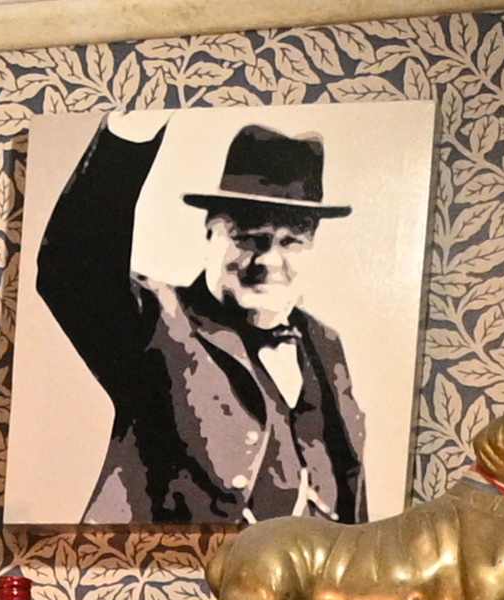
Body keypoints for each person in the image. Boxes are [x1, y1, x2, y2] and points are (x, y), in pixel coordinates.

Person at [32, 112, 376, 529]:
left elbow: (348, 494)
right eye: (250, 238)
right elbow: (72, 265)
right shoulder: (157, 320)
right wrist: (130, 132)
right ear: (212, 231)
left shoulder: (324, 342)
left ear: (314, 246)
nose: (268, 261)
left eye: (291, 242)